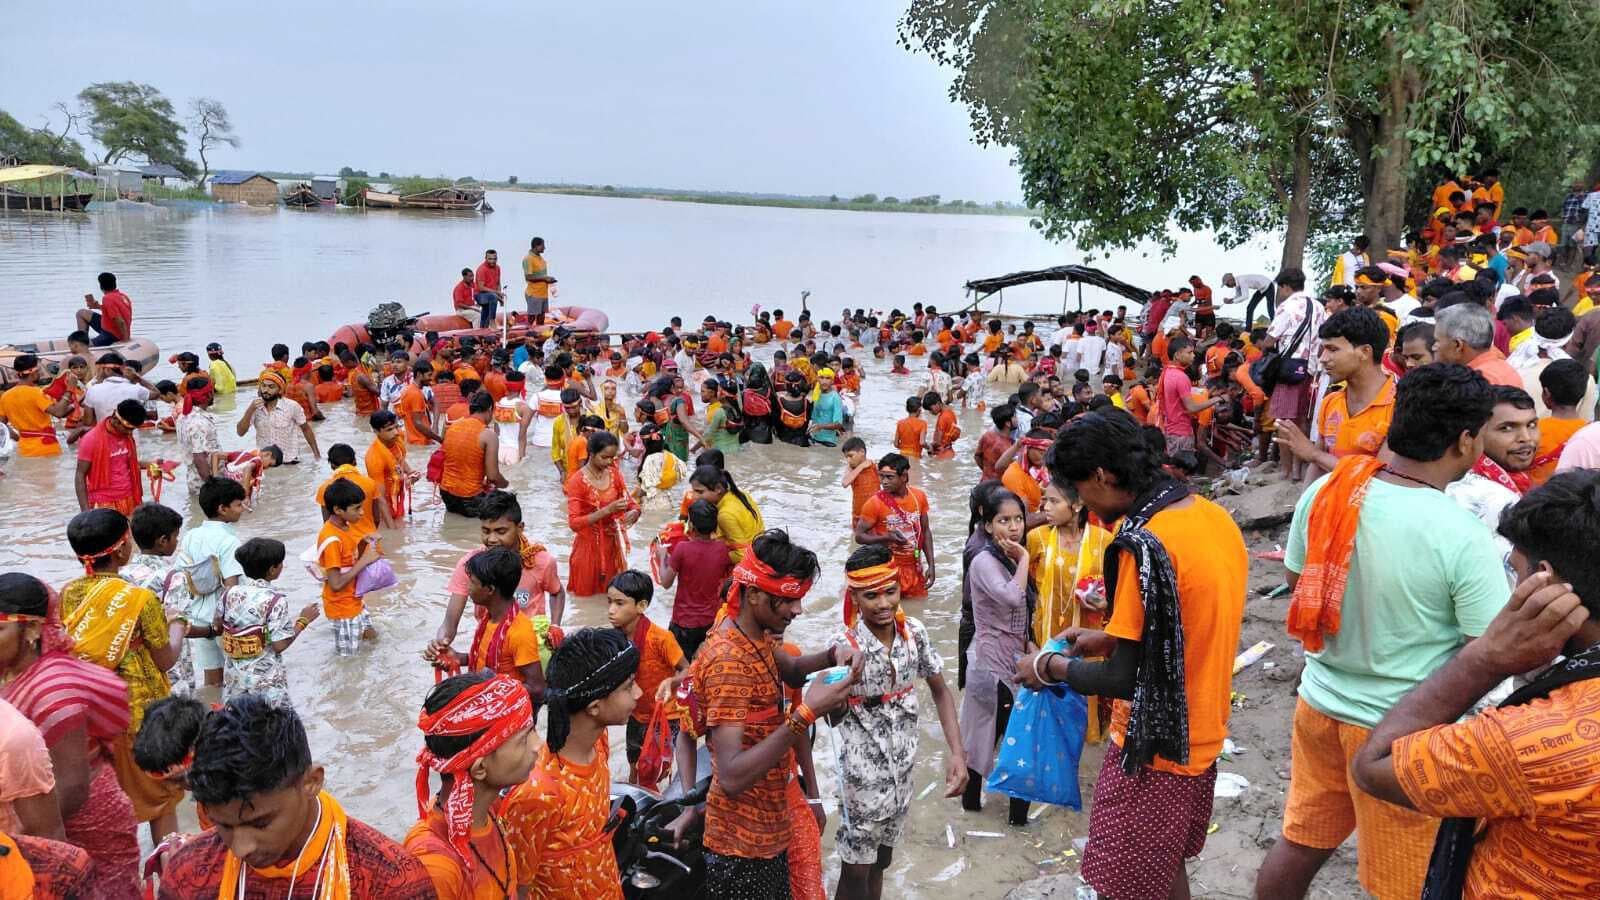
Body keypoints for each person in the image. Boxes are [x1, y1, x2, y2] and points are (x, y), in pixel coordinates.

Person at [1252, 364, 1509, 900]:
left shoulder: (1327, 493)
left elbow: (1301, 583)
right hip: (1401, 737)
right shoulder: (1461, 534)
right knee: (1405, 883)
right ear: (1465, 440)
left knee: (1302, 842)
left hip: (1321, 706)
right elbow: (1489, 649)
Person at [1014, 409, 1247, 900]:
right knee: (1163, 871)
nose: (1084, 505)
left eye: (1080, 491)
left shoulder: (1139, 544)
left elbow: (1125, 679)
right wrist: (1110, 636)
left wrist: (1049, 667)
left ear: (1101, 476)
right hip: (1203, 732)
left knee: (1125, 885)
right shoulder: (1209, 515)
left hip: (1154, 749)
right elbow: (1181, 626)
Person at [1349, 471, 1600, 899]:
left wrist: (1486, 658)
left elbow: (1374, 766)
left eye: (1514, 570)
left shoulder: (1535, 738)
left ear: (1545, 583)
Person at [690, 531, 861, 899]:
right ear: (753, 594)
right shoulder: (728, 661)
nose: (797, 610)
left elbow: (794, 669)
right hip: (740, 847)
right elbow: (732, 775)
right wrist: (806, 712)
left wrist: (833, 656)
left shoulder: (756, 635)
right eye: (788, 599)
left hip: (770, 831)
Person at [155, 696, 434, 898]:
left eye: (260, 823)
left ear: (312, 782)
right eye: (223, 826)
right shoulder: (187, 874)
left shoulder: (391, 881)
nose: (241, 848)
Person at [828, 544, 966, 900]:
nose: (884, 603)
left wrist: (957, 754)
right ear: (854, 597)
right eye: (871, 595)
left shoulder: (914, 633)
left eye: (890, 591)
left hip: (902, 771)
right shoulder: (843, 645)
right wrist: (840, 677)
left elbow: (940, 690)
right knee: (855, 870)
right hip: (861, 779)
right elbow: (829, 714)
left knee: (882, 862)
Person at [0, 572, 141, 896]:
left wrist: (20, 833)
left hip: (86, 818)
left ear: (32, 629)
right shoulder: (14, 674)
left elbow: (74, 786)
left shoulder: (56, 688)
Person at [61, 509, 185, 845]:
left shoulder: (67, 594)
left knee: (110, 807)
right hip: (141, 719)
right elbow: (166, 659)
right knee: (161, 804)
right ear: (121, 550)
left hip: (93, 719)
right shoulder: (140, 599)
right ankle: (168, 881)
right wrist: (177, 624)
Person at [501, 627, 640, 900]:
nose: (639, 692)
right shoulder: (537, 795)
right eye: (628, 686)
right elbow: (518, 887)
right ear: (595, 706)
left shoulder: (598, 742)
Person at [407, 671, 537, 900]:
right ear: (479, 768)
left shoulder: (490, 808)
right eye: (524, 739)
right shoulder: (436, 866)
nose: (537, 746)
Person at [954, 485, 1041, 826]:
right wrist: (1024, 560)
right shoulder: (984, 560)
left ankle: (1006, 818)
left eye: (1018, 519)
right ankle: (983, 814)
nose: (1014, 527)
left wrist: (1030, 643)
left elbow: (1023, 610)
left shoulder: (1006, 554)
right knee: (994, 739)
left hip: (1012, 657)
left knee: (1003, 737)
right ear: (987, 525)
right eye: (1004, 520)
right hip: (990, 665)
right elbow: (1009, 597)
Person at [1026, 478, 1113, 742]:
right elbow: (1026, 587)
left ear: (1077, 504)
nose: (1045, 508)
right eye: (1044, 501)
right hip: (1048, 635)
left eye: (1053, 501)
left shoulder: (1105, 541)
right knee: (1051, 708)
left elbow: (1119, 595)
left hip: (1090, 635)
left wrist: (1104, 604)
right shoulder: (1036, 538)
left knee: (1090, 706)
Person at [1274, 307, 1396, 475]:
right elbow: (1316, 468)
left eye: (1333, 349)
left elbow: (1381, 478)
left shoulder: (1399, 405)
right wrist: (1307, 500)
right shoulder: (1331, 402)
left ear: (1364, 352)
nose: (1323, 359)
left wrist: (1315, 455)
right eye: (1323, 349)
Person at [425, 546, 548, 707]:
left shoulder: (519, 632)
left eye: (473, 582)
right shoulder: (489, 618)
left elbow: (537, 688)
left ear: (489, 589)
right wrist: (458, 658)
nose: (468, 587)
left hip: (506, 715)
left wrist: (490, 693)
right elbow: (489, 664)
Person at [605, 570, 687, 783]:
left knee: (658, 764)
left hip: (665, 714)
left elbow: (688, 669)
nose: (611, 610)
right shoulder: (615, 638)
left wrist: (672, 681)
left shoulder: (661, 638)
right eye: (609, 602)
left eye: (619, 603)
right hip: (635, 711)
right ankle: (634, 783)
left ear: (641, 606)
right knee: (633, 752)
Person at [216, 537, 317, 709]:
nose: (282, 567)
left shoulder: (228, 594)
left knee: (237, 723)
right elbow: (279, 645)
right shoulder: (275, 600)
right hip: (265, 679)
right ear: (272, 570)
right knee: (275, 724)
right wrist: (302, 621)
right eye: (280, 564)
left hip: (234, 677)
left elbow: (218, 626)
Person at [178, 477, 248, 688]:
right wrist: (222, 619)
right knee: (237, 678)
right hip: (223, 619)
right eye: (238, 504)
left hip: (199, 617)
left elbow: (182, 574)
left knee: (212, 679)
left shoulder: (191, 535)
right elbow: (232, 586)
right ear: (223, 509)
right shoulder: (229, 540)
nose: (242, 509)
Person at [123, 503, 197, 698]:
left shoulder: (121, 574)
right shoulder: (173, 577)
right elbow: (182, 624)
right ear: (163, 541)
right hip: (169, 659)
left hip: (136, 661)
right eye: (175, 537)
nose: (177, 541)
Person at [1445, 386, 1539, 540]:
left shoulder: (1516, 480)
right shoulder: (1492, 499)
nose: (1526, 438)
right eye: (1507, 428)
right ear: (1474, 434)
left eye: (1531, 425)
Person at [1264, 269, 1327, 477]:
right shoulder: (1318, 306)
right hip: (1312, 370)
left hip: (1289, 370)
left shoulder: (1287, 306)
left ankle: (1286, 470)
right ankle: (1299, 470)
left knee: (1283, 420)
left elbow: (1271, 338)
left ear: (1285, 287)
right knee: (1302, 420)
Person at [565, 431, 640, 596]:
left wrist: (634, 512)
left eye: (612, 458)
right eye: (604, 457)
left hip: (613, 548)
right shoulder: (577, 481)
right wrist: (607, 510)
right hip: (588, 549)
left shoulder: (615, 474)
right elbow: (574, 523)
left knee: (613, 597)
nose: (609, 462)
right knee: (586, 602)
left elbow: (630, 502)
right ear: (591, 454)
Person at [315, 478, 384, 657]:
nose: (362, 513)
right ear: (338, 510)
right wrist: (365, 561)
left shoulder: (345, 527)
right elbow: (336, 583)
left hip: (355, 600)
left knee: (373, 640)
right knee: (349, 660)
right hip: (342, 608)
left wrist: (361, 545)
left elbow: (349, 561)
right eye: (356, 508)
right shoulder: (331, 539)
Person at [659, 499, 732, 661]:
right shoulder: (723, 550)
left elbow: (665, 582)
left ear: (691, 525)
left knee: (678, 669)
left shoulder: (683, 549)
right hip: (710, 622)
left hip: (683, 622)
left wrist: (662, 556)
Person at [854, 453, 933, 599]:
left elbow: (926, 531)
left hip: (914, 566)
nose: (884, 482)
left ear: (903, 476)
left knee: (918, 608)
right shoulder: (874, 503)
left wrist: (931, 566)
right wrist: (886, 538)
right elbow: (859, 536)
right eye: (881, 476)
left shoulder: (919, 497)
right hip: (887, 569)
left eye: (889, 477)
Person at [439, 391, 508, 517]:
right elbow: (493, 476)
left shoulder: (453, 427)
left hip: (446, 492)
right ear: (489, 409)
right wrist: (506, 484)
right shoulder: (488, 435)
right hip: (470, 497)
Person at [73, 398, 147, 515]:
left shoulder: (127, 437)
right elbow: (80, 474)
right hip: (103, 502)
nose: (129, 433)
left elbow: (126, 463)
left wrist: (153, 464)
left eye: (132, 429)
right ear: (116, 420)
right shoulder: (91, 439)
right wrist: (85, 512)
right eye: (128, 429)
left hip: (129, 497)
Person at [237, 371, 320, 464]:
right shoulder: (254, 408)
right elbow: (240, 432)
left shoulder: (292, 406)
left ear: (280, 390)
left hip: (289, 462)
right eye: (263, 386)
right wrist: (250, 410)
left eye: (271, 387)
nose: (266, 390)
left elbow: (306, 430)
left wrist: (317, 455)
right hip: (265, 463)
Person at [1155, 337, 1218, 457]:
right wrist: (1215, 400)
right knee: (1183, 468)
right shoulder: (1181, 377)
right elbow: (1191, 408)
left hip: (1170, 428)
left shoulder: (1167, 371)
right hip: (1181, 431)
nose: (1193, 356)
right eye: (1189, 352)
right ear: (1177, 355)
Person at [688, 465, 766, 562]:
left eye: (699, 492)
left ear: (718, 489)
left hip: (752, 556)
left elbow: (742, 554)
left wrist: (711, 556)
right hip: (763, 545)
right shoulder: (741, 493)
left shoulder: (725, 515)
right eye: (693, 491)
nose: (693, 497)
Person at [1434, 303, 1523, 387]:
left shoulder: (1476, 382)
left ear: (1458, 345)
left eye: (1437, 341)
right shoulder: (1500, 365)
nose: (1433, 347)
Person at [1529, 358, 1587, 485]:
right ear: (1582, 394)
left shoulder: (1534, 430)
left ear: (1546, 394)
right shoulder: (1590, 432)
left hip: (1539, 500)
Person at [0, 355, 71, 456]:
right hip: (46, 448)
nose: (40, 374)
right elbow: (59, 412)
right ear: (33, 373)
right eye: (39, 371)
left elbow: (2, 425)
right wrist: (70, 390)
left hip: (23, 449)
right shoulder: (37, 393)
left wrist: (17, 437)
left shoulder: (5, 396)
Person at [77, 272, 132, 346]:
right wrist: (98, 306)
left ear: (101, 286)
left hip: (111, 335)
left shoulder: (107, 298)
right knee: (81, 313)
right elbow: (118, 312)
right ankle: (82, 338)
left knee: (83, 345)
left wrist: (126, 341)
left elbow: (120, 321)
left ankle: (82, 344)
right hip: (111, 328)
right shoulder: (123, 296)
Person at [396, 362, 442, 446]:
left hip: (414, 440)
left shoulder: (410, 389)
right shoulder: (415, 393)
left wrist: (434, 427)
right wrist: (439, 439)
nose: (431, 378)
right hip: (419, 441)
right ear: (419, 374)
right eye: (429, 375)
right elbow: (418, 423)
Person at [839, 436, 880, 522]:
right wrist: (861, 466)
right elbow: (845, 483)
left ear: (862, 452)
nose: (848, 460)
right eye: (846, 457)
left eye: (851, 456)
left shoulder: (874, 466)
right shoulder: (851, 469)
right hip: (858, 515)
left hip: (875, 513)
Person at [807, 368, 846, 447]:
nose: (824, 381)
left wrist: (820, 426)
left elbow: (838, 424)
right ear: (817, 379)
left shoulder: (835, 398)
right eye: (821, 378)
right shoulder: (815, 394)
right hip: (813, 438)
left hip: (828, 441)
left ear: (832, 381)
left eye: (828, 378)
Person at [522, 237, 556, 325]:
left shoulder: (541, 259)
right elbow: (528, 277)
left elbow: (540, 275)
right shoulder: (528, 259)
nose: (544, 248)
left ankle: (539, 336)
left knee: (541, 317)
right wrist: (544, 278)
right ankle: (527, 335)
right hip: (534, 294)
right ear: (536, 246)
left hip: (543, 293)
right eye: (543, 245)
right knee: (531, 317)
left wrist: (548, 279)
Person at [474, 249, 505, 329]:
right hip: (480, 295)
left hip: (490, 294)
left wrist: (500, 295)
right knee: (493, 297)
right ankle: (492, 320)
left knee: (486, 312)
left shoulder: (497, 268)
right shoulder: (482, 269)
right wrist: (496, 294)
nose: (492, 261)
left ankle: (483, 329)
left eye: (494, 259)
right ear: (486, 258)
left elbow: (498, 283)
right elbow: (481, 287)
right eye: (490, 259)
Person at [924, 391, 959, 459]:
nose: (930, 412)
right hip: (949, 451)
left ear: (937, 403)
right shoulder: (951, 412)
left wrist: (930, 445)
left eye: (930, 409)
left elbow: (938, 442)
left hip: (941, 454)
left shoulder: (942, 418)